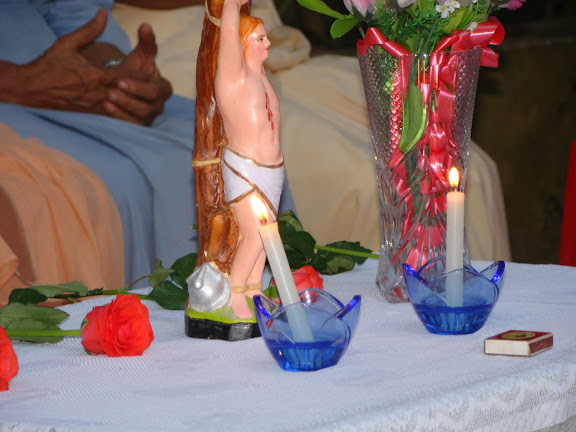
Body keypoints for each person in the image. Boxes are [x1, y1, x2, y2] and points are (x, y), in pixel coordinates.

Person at [0, 0, 296, 296]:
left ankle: (267, 298)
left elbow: (71, 13)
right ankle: (131, 316)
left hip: (63, 76)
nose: (267, 44)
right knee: (112, 183)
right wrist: (18, 82)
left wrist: (117, 77)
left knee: (234, 145)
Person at [214, 0, 283, 318]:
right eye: (260, 38)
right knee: (255, 235)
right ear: (242, 44)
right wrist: (231, 5)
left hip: (273, 169)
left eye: (266, 37)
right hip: (246, 169)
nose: (267, 43)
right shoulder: (233, 79)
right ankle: (235, 292)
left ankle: (255, 289)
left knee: (268, 235)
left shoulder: (262, 76)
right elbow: (228, 35)